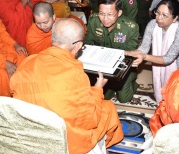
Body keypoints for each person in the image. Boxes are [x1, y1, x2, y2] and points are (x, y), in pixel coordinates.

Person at [10, 18, 123, 154]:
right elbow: (90, 120)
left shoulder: (27, 62)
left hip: (31, 132)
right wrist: (98, 88)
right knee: (108, 108)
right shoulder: (75, 74)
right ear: (79, 45)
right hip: (64, 140)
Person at [125, 0, 179, 103]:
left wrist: (145, 57)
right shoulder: (152, 24)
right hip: (162, 61)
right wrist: (126, 53)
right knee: (161, 93)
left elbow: (168, 58)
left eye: (164, 15)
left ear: (175, 18)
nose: (159, 18)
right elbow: (144, 48)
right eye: (157, 13)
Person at [85, 0, 139, 103]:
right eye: (101, 14)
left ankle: (133, 82)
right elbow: (88, 43)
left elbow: (130, 53)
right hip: (100, 64)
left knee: (124, 98)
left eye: (110, 14)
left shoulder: (130, 28)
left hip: (121, 67)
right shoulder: (93, 21)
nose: (105, 19)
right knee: (104, 97)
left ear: (119, 13)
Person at [0, 20, 27, 96]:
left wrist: (15, 44)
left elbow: (2, 33)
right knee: (4, 76)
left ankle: (25, 93)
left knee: (21, 55)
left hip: (3, 48)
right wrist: (4, 62)